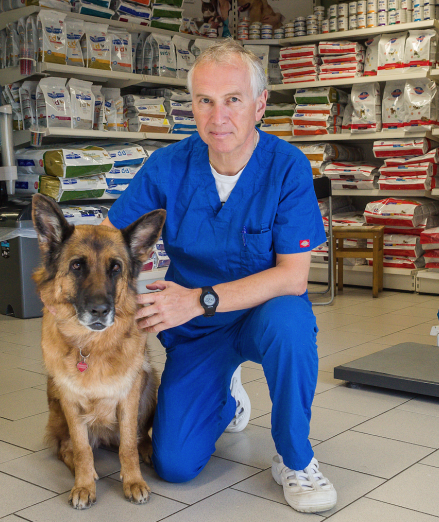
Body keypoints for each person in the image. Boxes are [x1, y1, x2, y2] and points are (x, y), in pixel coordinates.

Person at [101, 38, 337, 514]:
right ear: (192, 105)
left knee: (292, 324)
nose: (218, 116)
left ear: (260, 105)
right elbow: (111, 241)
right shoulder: (168, 167)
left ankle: (295, 459)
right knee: (174, 464)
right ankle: (224, 395)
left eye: (233, 99)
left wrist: (197, 299)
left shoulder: (286, 167)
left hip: (264, 315)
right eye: (205, 101)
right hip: (198, 332)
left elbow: (293, 277)